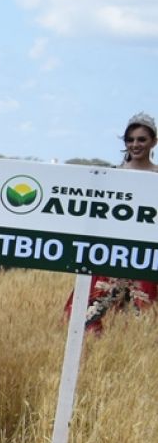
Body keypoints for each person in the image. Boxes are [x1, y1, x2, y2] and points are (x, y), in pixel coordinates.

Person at [73, 111, 158, 330]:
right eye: (130, 140)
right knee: (96, 312)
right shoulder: (112, 175)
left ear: (154, 142)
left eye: (142, 139)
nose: (135, 144)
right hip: (112, 251)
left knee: (144, 312)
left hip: (146, 252)